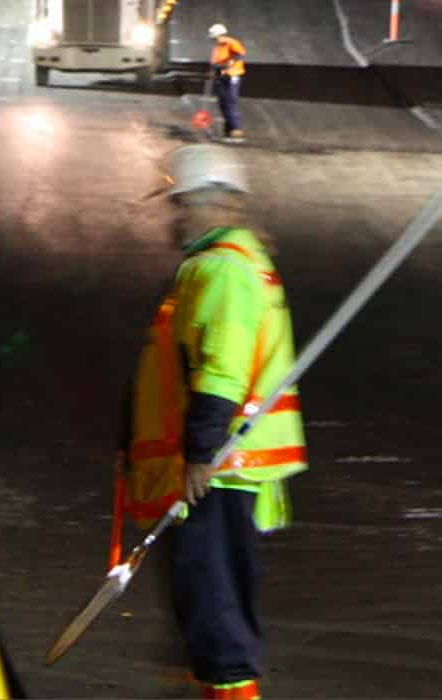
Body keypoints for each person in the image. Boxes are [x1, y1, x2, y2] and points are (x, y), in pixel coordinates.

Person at [125, 144, 304, 700]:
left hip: (219, 472)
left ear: (217, 203)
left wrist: (201, 452)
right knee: (206, 604)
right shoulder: (224, 263)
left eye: (180, 203)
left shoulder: (223, 270)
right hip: (217, 468)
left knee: (215, 608)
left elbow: (222, 369)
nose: (173, 215)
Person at [206, 24, 246, 142]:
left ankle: (236, 130)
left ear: (220, 35)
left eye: (215, 37)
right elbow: (214, 63)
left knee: (230, 101)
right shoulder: (217, 48)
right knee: (222, 102)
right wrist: (212, 72)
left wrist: (231, 62)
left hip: (232, 75)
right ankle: (228, 132)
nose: (215, 40)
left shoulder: (231, 43)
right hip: (221, 77)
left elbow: (240, 54)